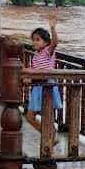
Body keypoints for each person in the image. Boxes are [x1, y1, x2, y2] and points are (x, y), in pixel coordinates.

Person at [26, 13, 62, 143]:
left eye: (37, 39)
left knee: (48, 115)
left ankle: (50, 136)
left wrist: (52, 28)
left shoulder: (48, 51)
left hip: (47, 86)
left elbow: (55, 43)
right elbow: (34, 71)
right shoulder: (35, 56)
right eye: (33, 39)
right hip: (37, 87)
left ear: (46, 42)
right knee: (30, 117)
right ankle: (49, 134)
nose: (34, 42)